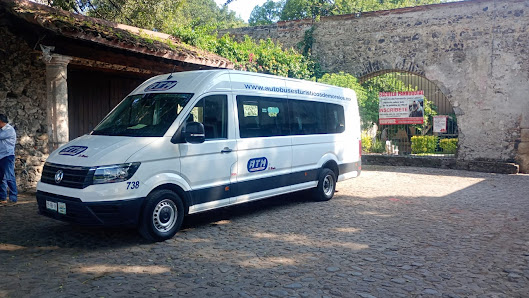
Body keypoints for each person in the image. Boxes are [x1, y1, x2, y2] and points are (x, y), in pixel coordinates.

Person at [0, 113, 17, 204]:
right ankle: (3, 198)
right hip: (1, 156)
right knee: (1, 178)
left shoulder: (9, 130)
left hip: (7, 156)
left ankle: (13, 197)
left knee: (9, 176)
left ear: (1, 121)